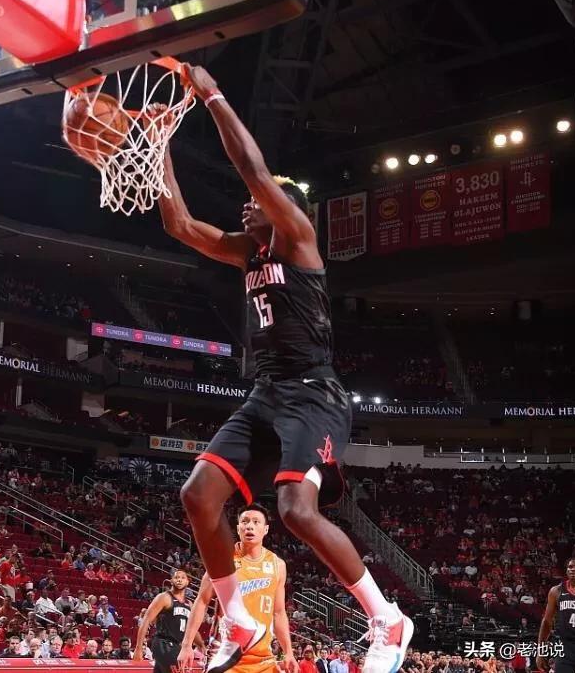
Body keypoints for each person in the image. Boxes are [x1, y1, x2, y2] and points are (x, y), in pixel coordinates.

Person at [158, 64, 413, 673]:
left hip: (315, 395)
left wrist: (212, 95)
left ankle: (387, 619)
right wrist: (156, 145)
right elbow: (180, 225)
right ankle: (237, 622)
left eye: (259, 201)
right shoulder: (247, 252)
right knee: (197, 495)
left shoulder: (298, 237)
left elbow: (252, 170)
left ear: (283, 208)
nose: (248, 205)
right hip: (266, 393)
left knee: (296, 510)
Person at [177, 503, 296, 673]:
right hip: (227, 654)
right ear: (238, 528)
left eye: (256, 522)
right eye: (245, 521)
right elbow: (202, 601)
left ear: (266, 529)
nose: (250, 526)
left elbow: (278, 612)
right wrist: (186, 645)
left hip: (263, 656)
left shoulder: (278, 565)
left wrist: (288, 652)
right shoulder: (223, 560)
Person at [133, 569, 201, 671]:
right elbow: (146, 621)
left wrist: (202, 646)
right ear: (171, 581)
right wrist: (138, 648)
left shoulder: (189, 604)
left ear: (187, 582)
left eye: (183, 578)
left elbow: (192, 629)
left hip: (177, 646)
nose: (179, 580)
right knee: (179, 671)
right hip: (163, 643)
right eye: (176, 577)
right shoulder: (164, 597)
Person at [537, 557, 575, 673]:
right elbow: (547, 622)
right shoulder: (556, 591)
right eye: (570, 567)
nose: (573, 569)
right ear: (566, 570)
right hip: (565, 647)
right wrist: (540, 651)